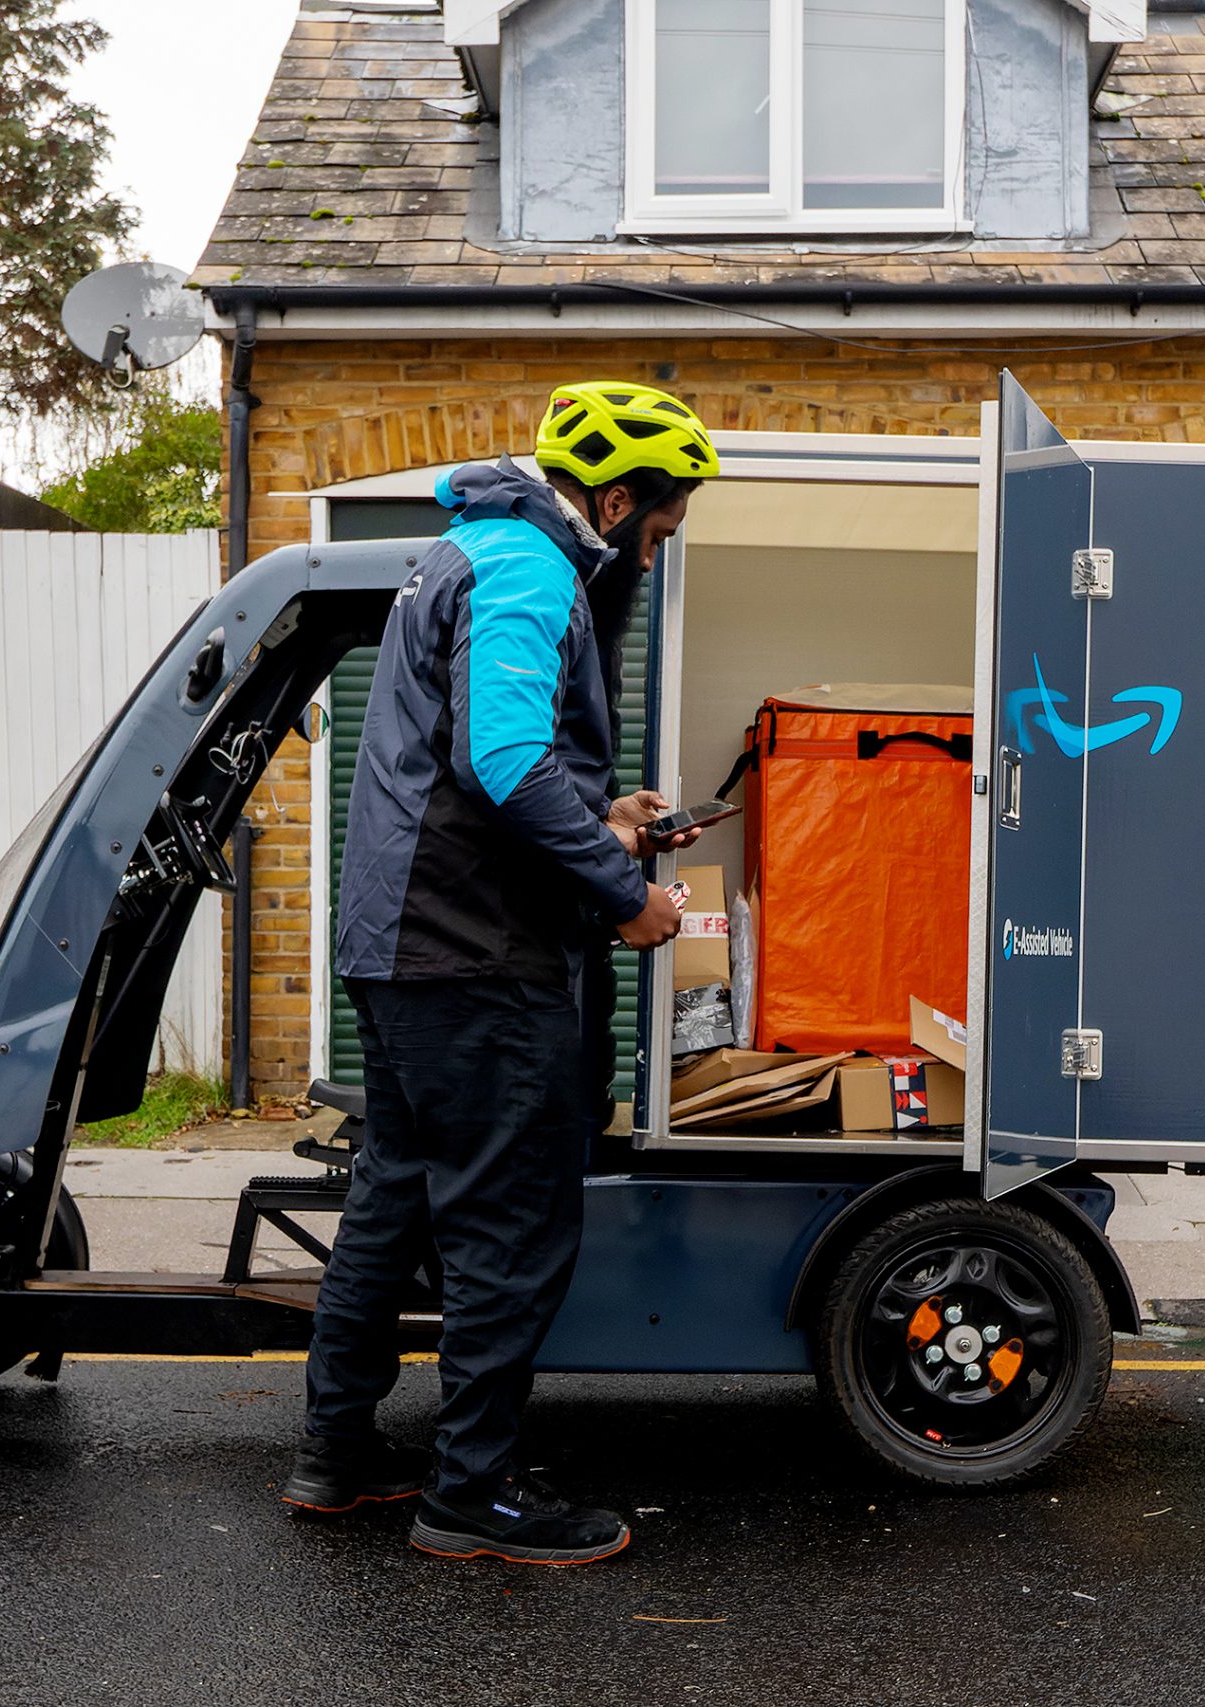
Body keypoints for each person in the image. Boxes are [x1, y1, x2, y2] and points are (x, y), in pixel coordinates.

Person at [280, 382, 719, 1565]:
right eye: (661, 525)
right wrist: (628, 898)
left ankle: (335, 1456)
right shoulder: (528, 567)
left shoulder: (458, 550)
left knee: (395, 1195)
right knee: (507, 1226)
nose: (658, 546)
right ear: (618, 498)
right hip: (476, 954)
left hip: (401, 945)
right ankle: (468, 1496)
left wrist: (604, 808)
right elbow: (504, 764)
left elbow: (476, 761)